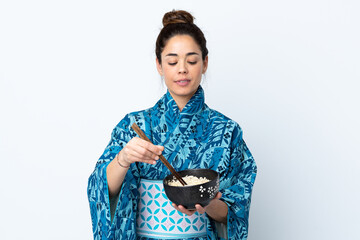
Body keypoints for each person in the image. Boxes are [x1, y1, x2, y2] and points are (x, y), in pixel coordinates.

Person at [87, 10, 257, 240]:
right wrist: (123, 159)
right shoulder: (134, 125)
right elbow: (102, 190)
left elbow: (236, 209)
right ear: (159, 64)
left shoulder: (227, 131)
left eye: (192, 60)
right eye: (172, 61)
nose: (182, 69)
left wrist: (206, 204)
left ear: (205, 63)